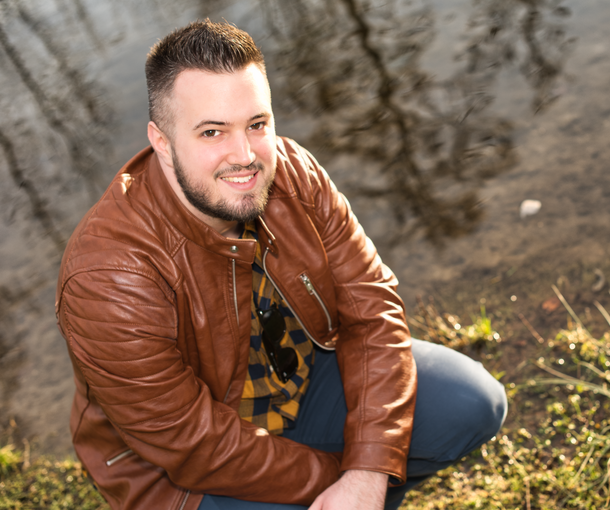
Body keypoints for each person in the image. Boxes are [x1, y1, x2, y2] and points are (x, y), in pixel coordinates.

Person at [55, 19, 507, 510]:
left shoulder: (291, 172)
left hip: (301, 385)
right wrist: (342, 480)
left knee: (471, 401)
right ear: (161, 142)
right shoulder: (108, 277)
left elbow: (373, 313)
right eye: (212, 132)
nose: (245, 156)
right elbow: (194, 446)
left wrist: (369, 471)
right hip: (186, 474)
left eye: (257, 124)